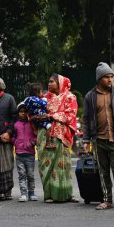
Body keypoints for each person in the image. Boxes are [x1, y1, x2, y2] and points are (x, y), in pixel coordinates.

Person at [83, 62, 114, 213]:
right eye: (107, 77)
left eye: (111, 76)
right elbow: (86, 119)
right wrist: (86, 140)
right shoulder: (90, 97)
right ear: (99, 78)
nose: (110, 79)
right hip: (98, 140)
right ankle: (107, 200)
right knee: (103, 171)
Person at [35, 74, 79, 203]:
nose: (48, 84)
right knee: (46, 164)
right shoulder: (44, 98)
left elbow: (70, 115)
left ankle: (67, 194)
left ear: (60, 83)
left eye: (52, 82)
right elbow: (34, 112)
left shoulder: (70, 97)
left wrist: (51, 115)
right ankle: (49, 194)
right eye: (48, 82)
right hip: (44, 134)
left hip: (61, 135)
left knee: (64, 165)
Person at [12, 102, 38, 202]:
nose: (23, 113)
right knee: (22, 174)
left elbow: (37, 135)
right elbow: (13, 136)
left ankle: (31, 193)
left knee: (30, 175)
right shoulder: (16, 124)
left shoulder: (32, 123)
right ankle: (24, 194)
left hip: (30, 154)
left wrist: (32, 143)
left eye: (25, 112)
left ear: (28, 113)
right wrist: (15, 143)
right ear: (18, 113)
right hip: (19, 154)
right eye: (21, 112)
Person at [23, 82, 56, 149]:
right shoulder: (34, 99)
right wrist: (45, 99)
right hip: (40, 118)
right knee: (49, 126)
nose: (43, 94)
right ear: (37, 93)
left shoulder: (28, 99)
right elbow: (44, 104)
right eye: (41, 92)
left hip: (34, 119)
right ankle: (48, 143)